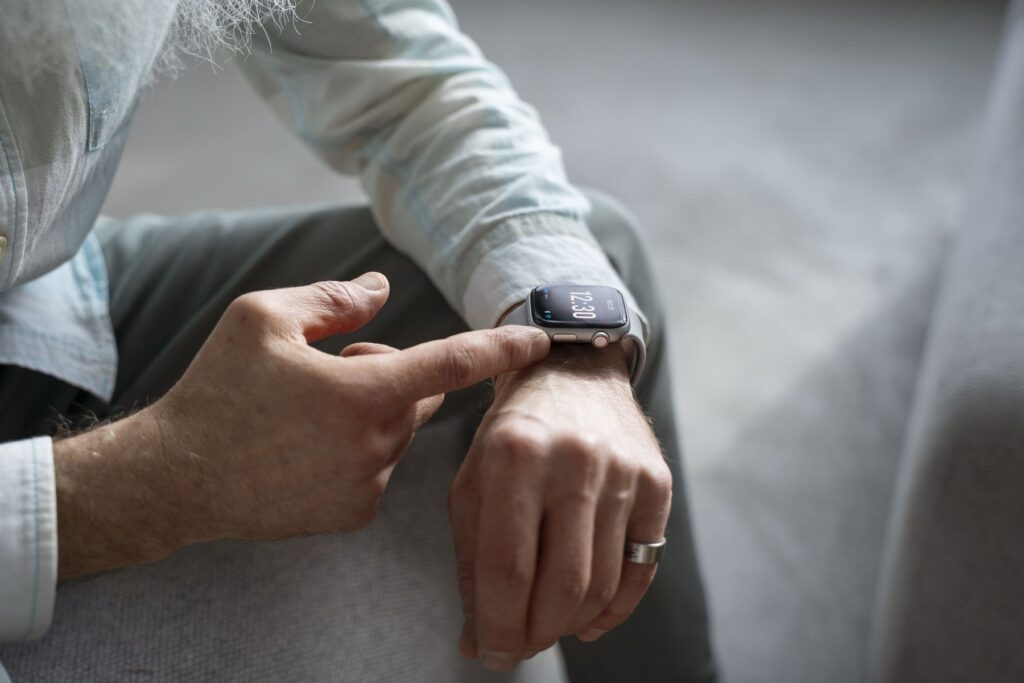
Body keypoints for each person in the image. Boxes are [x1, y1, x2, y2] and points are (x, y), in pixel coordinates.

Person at [0, 0, 715, 680]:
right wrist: (153, 478)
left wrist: (567, 354)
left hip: (32, 290)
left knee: (600, 264)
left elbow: (405, 76)